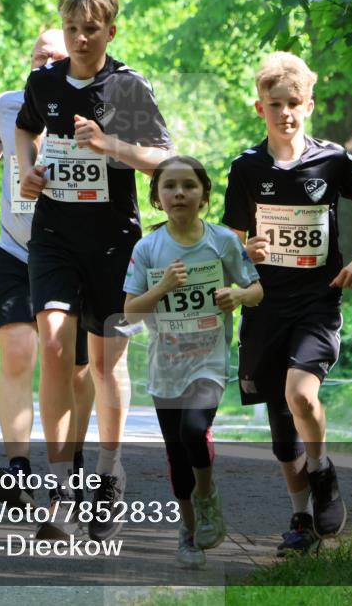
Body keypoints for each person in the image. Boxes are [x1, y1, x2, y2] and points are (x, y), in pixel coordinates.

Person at [16, 0, 173, 541]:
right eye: (72, 28)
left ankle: (108, 472)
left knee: (106, 365)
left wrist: (111, 147)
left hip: (115, 242)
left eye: (91, 29)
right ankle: (59, 483)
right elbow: (25, 126)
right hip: (55, 234)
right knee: (55, 346)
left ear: (110, 30)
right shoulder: (44, 81)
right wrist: (27, 169)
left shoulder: (127, 86)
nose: (80, 39)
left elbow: (164, 161)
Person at [222, 51, 352, 551]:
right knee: (280, 435)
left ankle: (322, 470)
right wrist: (242, 251)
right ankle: (300, 520)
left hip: (317, 303)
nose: (285, 113)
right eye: (276, 105)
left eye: (294, 103)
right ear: (260, 109)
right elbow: (231, 238)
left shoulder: (332, 159)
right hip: (264, 305)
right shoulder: (246, 167)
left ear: (308, 104)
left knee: (301, 394)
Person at [0, 29, 95, 512]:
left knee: (75, 368)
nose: (45, 62)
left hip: (75, 256)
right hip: (16, 251)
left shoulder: (91, 105)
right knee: (17, 352)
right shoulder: (6, 107)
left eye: (55, 56)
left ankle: (70, 461)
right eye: (39, 54)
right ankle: (16, 466)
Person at [124, 156, 262, 569]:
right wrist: (164, 286)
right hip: (165, 366)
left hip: (209, 359)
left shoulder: (221, 241)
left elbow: (256, 289)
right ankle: (188, 531)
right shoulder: (148, 248)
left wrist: (237, 296)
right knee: (177, 453)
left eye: (188, 185)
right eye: (170, 186)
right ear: (157, 197)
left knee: (194, 428)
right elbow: (130, 312)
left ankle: (206, 498)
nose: (179, 193)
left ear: (203, 195)